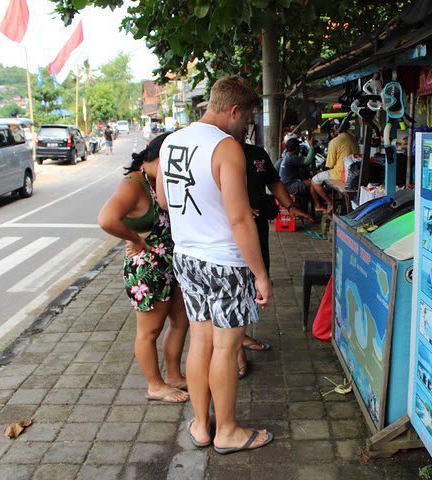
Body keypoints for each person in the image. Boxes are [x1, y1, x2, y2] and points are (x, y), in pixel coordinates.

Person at [156, 75, 274, 454]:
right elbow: (240, 220)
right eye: (247, 118)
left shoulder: (171, 141)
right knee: (226, 347)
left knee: (200, 340)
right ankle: (226, 431)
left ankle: (200, 425)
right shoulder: (226, 147)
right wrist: (260, 274)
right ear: (234, 110)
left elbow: (163, 199)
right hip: (224, 262)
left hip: (186, 256)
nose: (247, 126)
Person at [97, 132, 189, 404]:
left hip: (169, 265)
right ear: (161, 157)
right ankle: (155, 385)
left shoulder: (155, 180)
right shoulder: (134, 184)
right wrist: (134, 238)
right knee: (149, 331)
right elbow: (106, 219)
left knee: (181, 322)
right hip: (146, 270)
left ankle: (173, 376)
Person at [237, 136, 312, 378]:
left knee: (253, 285)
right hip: (230, 234)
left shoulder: (257, 153)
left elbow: (274, 182)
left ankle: (240, 334)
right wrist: (234, 207)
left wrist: (290, 206)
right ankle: (237, 348)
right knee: (237, 285)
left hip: (258, 230)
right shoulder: (216, 151)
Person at [310, 120, 359, 211]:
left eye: (332, 129)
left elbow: (330, 165)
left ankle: (330, 202)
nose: (331, 131)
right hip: (355, 173)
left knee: (314, 180)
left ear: (336, 129)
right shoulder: (353, 138)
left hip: (341, 174)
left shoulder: (334, 142)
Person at [278, 136, 325, 212]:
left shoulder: (287, 155)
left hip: (287, 184)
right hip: (289, 186)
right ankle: (318, 205)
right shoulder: (291, 157)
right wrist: (312, 147)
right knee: (313, 183)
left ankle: (314, 206)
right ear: (296, 148)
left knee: (309, 182)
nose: (299, 148)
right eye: (299, 146)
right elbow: (307, 162)